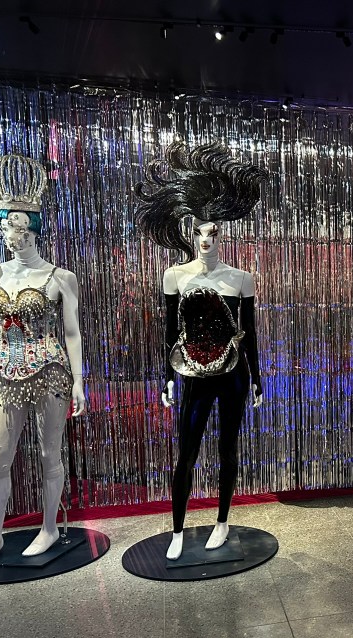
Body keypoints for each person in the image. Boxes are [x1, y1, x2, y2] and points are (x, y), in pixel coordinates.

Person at [135, 142, 267, 560]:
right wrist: (165, 378)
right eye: (199, 232)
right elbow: (169, 330)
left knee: (228, 449)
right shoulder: (174, 276)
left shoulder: (240, 278)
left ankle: (222, 522)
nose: (206, 239)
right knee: (187, 452)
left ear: (222, 234)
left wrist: (258, 378)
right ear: (190, 233)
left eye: (213, 233)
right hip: (191, 371)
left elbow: (250, 332)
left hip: (233, 372)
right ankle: (177, 529)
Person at [0, 153, 87, 566]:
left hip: (50, 372)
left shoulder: (60, 277)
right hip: (6, 373)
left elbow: (72, 333)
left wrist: (79, 380)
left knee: (48, 455)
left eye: (17, 225)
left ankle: (50, 527)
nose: (10, 232)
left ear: (33, 227)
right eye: (5, 224)